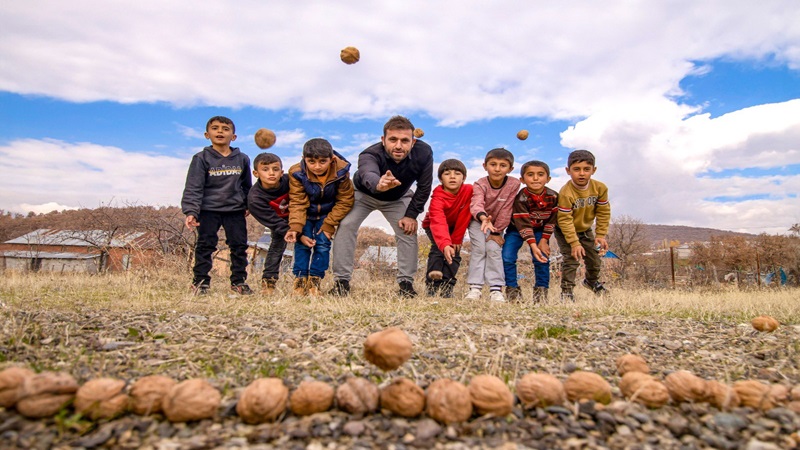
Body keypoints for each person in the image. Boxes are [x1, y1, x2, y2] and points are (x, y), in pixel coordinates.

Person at [330, 116, 433, 298]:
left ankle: (406, 284)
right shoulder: (369, 154)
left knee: (407, 230)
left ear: (413, 142)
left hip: (398, 198)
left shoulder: (424, 153)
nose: (398, 146)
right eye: (393, 140)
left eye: (404, 141)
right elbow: (367, 172)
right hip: (364, 194)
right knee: (346, 225)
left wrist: (411, 215)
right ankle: (341, 282)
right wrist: (379, 184)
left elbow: (424, 187)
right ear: (383, 140)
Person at [181, 116, 253, 295]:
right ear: (207, 134)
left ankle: (238, 282)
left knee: (239, 246)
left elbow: (246, 186)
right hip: (208, 210)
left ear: (233, 136)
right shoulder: (201, 158)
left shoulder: (242, 159)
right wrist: (191, 211)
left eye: (225, 129)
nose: (220, 131)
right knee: (205, 246)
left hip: (234, 210)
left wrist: (247, 204)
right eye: (215, 128)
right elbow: (193, 186)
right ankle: (200, 282)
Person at [285, 138, 355, 296]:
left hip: (328, 214)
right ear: (304, 160)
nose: (317, 166)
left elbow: (345, 200)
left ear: (332, 159)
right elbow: (297, 201)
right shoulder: (296, 173)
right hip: (305, 214)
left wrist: (329, 224)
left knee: (323, 245)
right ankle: (300, 281)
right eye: (311, 162)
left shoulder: (341, 172)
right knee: (302, 245)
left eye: (323, 161)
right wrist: (296, 227)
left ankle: (314, 282)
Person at [554, 149, 611, 300]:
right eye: (576, 169)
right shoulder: (566, 193)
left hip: (585, 229)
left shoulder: (600, 188)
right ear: (568, 171)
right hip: (565, 230)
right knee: (572, 260)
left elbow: (603, 212)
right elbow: (565, 220)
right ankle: (566, 292)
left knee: (594, 259)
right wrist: (574, 243)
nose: (581, 173)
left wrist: (600, 235)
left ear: (594, 170)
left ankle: (591, 282)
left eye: (586, 169)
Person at [465, 148, 520, 302]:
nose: (497, 169)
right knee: (479, 249)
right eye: (493, 164)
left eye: (503, 165)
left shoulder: (513, 184)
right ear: (485, 166)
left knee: (493, 250)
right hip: (478, 221)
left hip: (497, 225)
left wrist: (497, 231)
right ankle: (475, 288)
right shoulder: (480, 184)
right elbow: (476, 204)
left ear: (510, 169)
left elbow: (507, 208)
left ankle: (496, 289)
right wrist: (483, 218)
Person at [504, 160, 557, 303]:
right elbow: (523, 224)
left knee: (542, 258)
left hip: (540, 230)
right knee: (507, 257)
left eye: (540, 174)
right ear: (522, 179)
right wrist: (533, 245)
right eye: (530, 174)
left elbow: (552, 220)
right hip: (517, 229)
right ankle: (513, 292)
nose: (535, 178)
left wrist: (544, 240)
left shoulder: (554, 197)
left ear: (548, 179)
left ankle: (541, 294)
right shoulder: (521, 198)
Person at [421, 159, 473, 298]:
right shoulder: (437, 198)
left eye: (457, 173)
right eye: (447, 174)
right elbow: (438, 222)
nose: (452, 177)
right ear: (440, 179)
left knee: (454, 254)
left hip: (456, 228)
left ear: (464, 178)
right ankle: (432, 284)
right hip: (433, 226)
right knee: (439, 249)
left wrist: (456, 239)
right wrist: (445, 244)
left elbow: (465, 215)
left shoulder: (468, 191)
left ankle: (447, 287)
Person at [247, 152, 290, 294]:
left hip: (300, 216)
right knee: (277, 245)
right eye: (265, 170)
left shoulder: (290, 181)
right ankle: (268, 282)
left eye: (275, 169)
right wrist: (290, 232)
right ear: (256, 173)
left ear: (282, 172)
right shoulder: (255, 198)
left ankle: (305, 281)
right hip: (277, 221)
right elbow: (273, 222)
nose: (271, 173)